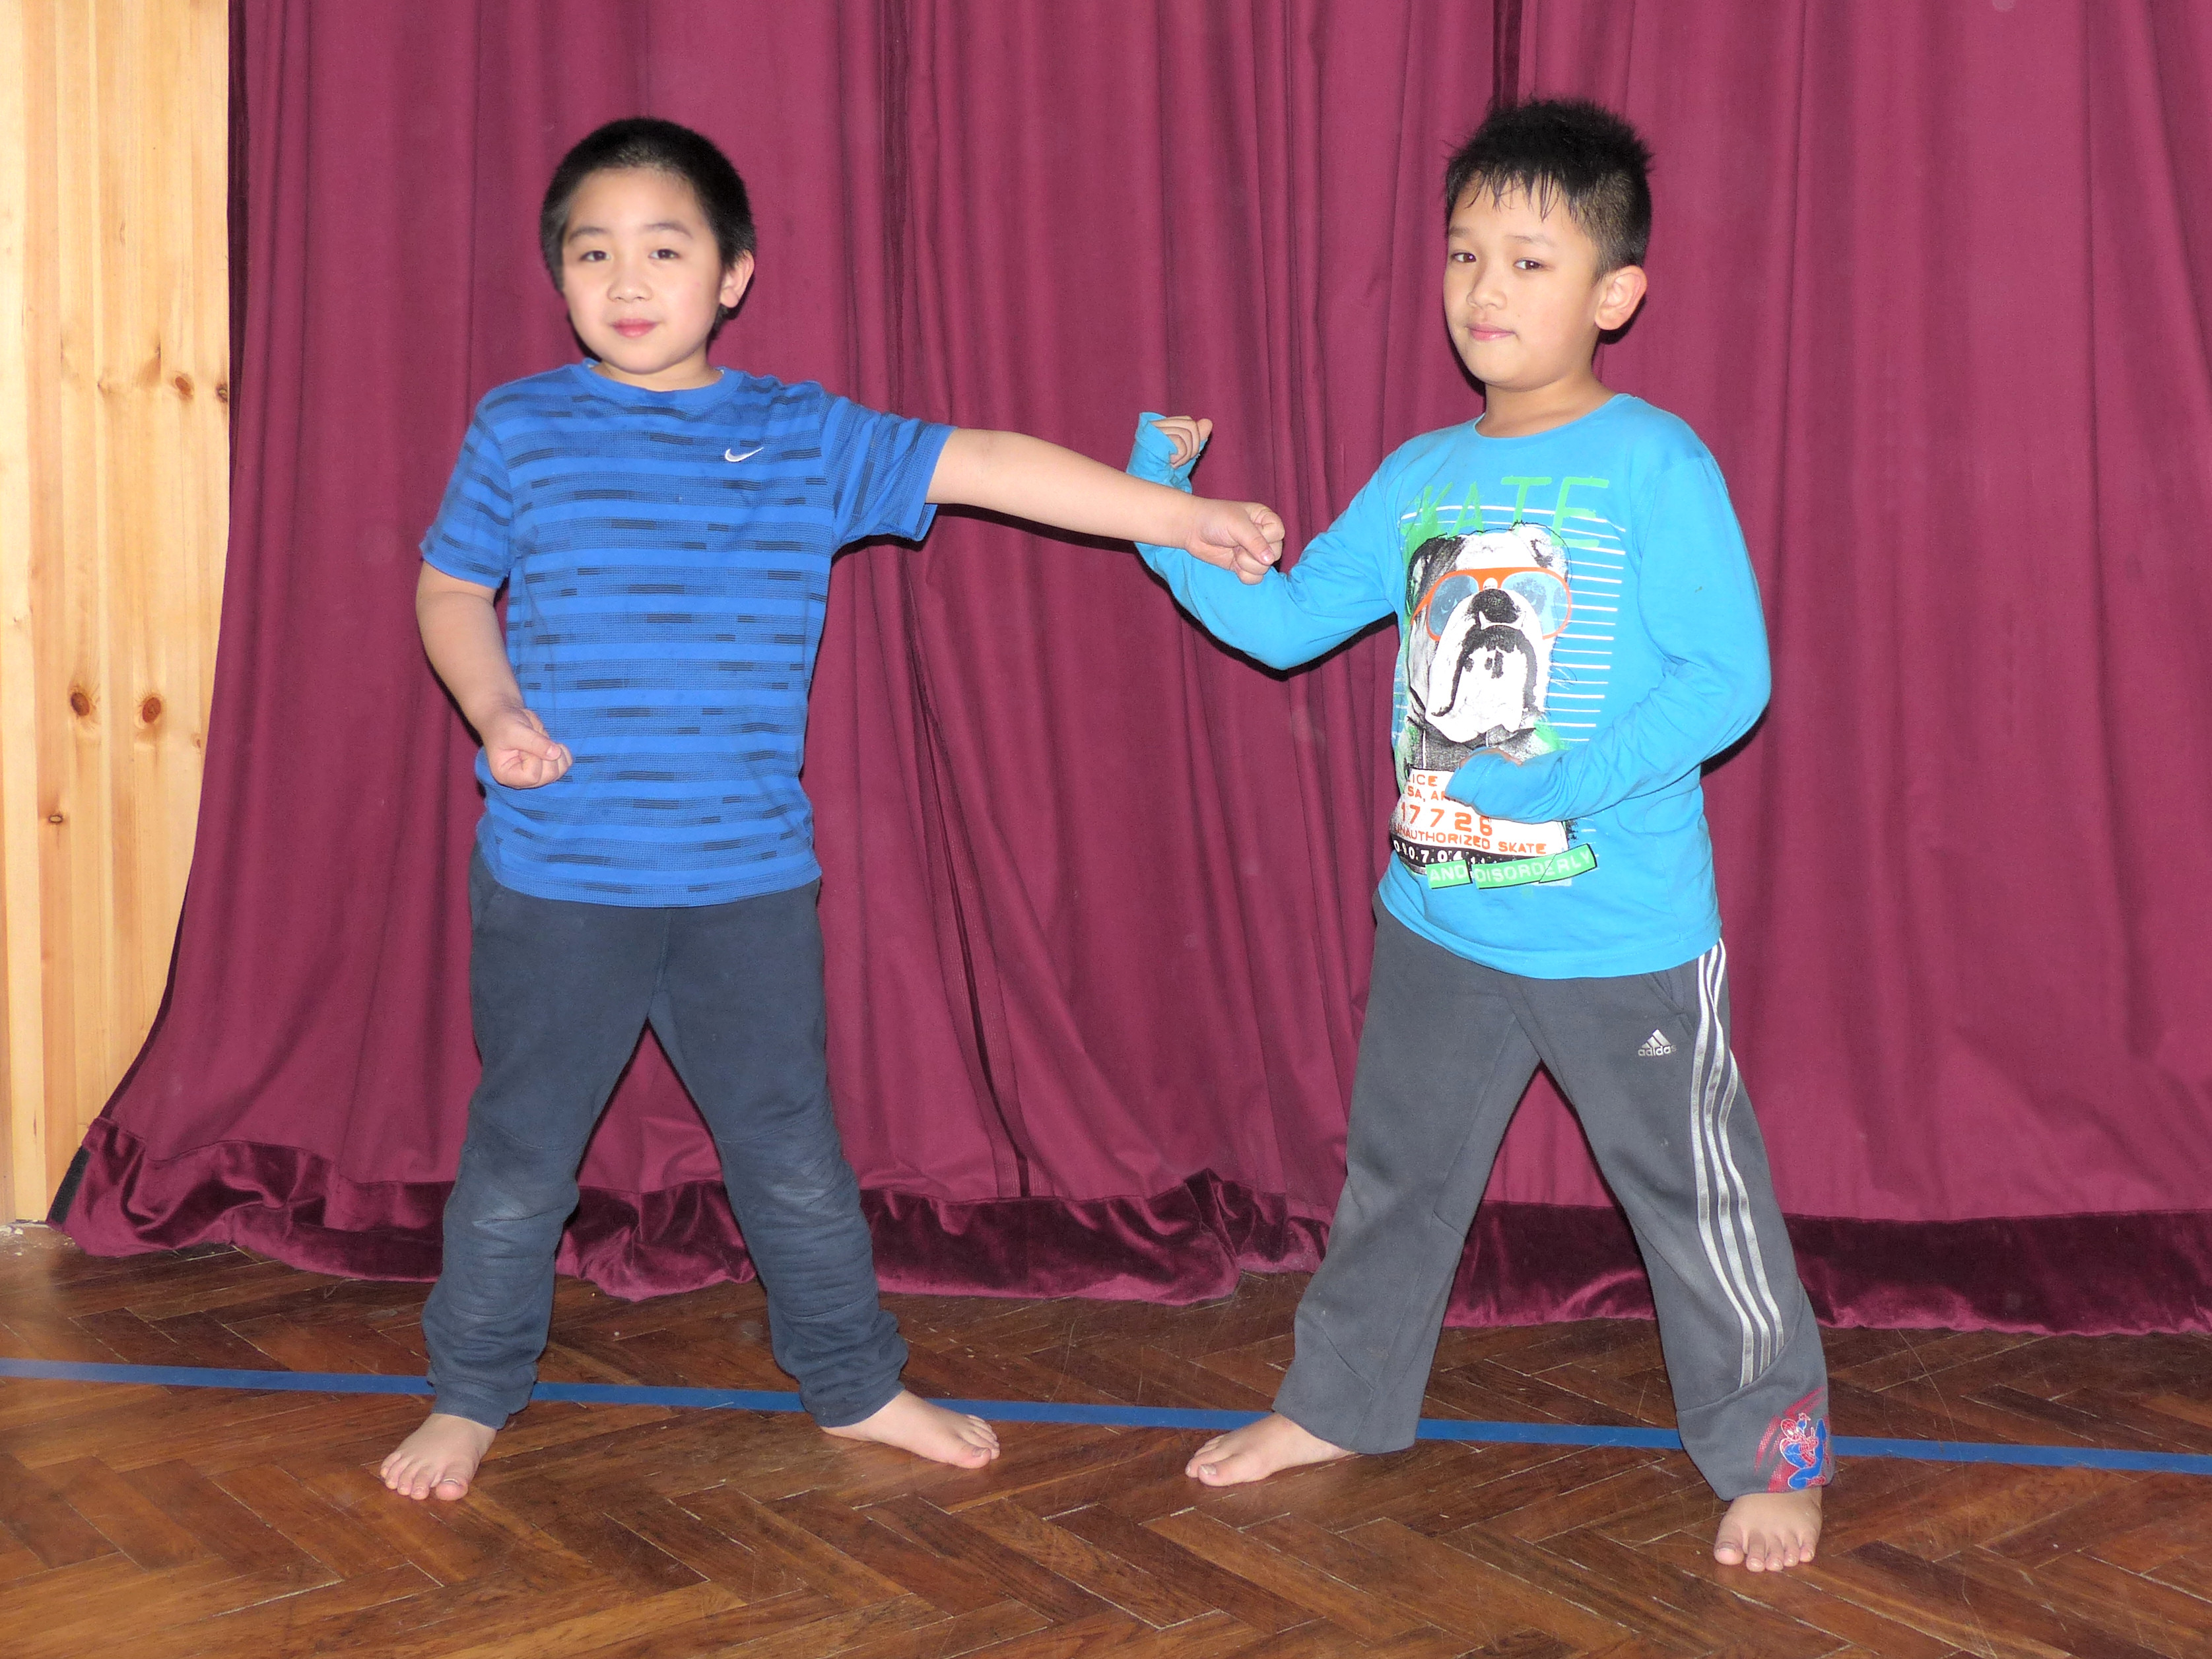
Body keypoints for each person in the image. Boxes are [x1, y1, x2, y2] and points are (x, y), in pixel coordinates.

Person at [380, 116, 1282, 1503]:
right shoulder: (520, 427)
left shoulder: (798, 434)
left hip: (746, 884)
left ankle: (854, 1385)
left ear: (732, 274)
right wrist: (497, 712)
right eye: (593, 253)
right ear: (558, 277)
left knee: (790, 1150)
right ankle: (471, 1391)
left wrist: (1176, 518)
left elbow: (985, 462)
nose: (627, 279)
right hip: (558, 880)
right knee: (520, 1157)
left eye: (664, 249)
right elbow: (451, 587)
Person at [1127, 98, 1830, 1572]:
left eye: (1527, 260)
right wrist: (1160, 512)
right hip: (1436, 920)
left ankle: (1775, 1451)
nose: (1484, 290)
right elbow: (1281, 625)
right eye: (1463, 255)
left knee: (1693, 1197)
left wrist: (1564, 781)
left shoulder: (1655, 463)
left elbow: (1729, 679)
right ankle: (1338, 1402)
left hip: (1619, 935)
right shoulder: (1418, 476)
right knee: (1396, 1182)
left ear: (1614, 294)